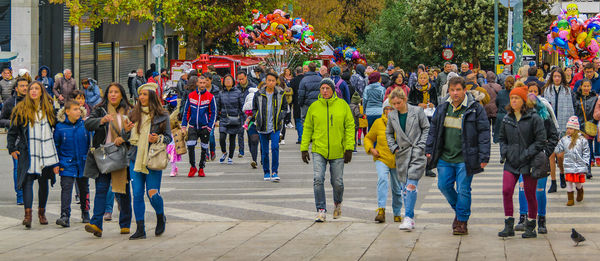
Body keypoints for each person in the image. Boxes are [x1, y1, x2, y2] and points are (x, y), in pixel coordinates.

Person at [425, 77, 490, 235]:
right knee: (443, 186)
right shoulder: (442, 108)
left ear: (464, 90)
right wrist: (429, 148)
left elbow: (484, 133)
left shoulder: (475, 108)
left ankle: (461, 221)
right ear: (448, 91)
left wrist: (484, 156)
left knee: (463, 189)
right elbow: (433, 130)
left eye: (458, 90)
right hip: (445, 157)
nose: (455, 93)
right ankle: (461, 212)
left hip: (465, 158)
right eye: (452, 90)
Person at [83, 82, 133, 237]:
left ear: (122, 95)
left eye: (116, 92)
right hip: (104, 155)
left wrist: (123, 137)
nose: (113, 95)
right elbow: (88, 124)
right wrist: (101, 121)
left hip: (121, 155)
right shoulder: (99, 110)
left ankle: (125, 224)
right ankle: (96, 223)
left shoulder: (129, 111)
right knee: (101, 189)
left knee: (122, 192)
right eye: (110, 92)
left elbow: (134, 134)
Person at [7, 81, 59, 229]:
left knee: (43, 183)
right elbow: (13, 131)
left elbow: (57, 127)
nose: (34, 91)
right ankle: (27, 215)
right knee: (27, 182)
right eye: (31, 89)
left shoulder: (48, 109)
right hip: (27, 151)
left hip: (45, 152)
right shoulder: (21, 108)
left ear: (42, 91)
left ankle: (42, 213)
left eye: (37, 89)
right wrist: (12, 148)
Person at [301, 78, 355, 222]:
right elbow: (307, 128)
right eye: (322, 88)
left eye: (327, 88)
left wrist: (349, 148)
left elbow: (350, 127)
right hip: (319, 149)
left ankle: (337, 203)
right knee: (318, 179)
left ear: (333, 90)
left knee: (337, 182)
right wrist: (304, 148)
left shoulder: (342, 105)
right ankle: (321, 209)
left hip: (338, 150)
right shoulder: (314, 107)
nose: (325, 91)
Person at [497, 86, 546, 239]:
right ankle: (508, 223)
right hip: (511, 162)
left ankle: (531, 225)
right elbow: (502, 139)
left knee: (530, 194)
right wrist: (505, 152)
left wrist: (527, 153)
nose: (513, 101)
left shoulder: (534, 118)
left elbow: (540, 141)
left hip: (528, 161)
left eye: (517, 98)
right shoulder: (507, 118)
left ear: (524, 101)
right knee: (506, 190)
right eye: (512, 98)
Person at [127, 83, 171, 240]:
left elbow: (168, 137)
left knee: (152, 194)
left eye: (145, 94)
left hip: (152, 158)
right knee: (137, 194)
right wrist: (125, 131)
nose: (142, 97)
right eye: (140, 94)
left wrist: (157, 138)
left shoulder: (163, 115)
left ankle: (160, 216)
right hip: (135, 157)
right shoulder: (133, 114)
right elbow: (128, 137)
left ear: (152, 96)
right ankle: (140, 229)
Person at [513, 92, 559, 234]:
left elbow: (554, 136)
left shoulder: (545, 119)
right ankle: (523, 217)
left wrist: (545, 152)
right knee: (523, 189)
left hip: (539, 159)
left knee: (539, 190)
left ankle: (541, 219)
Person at [385, 89, 430, 230]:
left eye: (399, 103)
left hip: (417, 153)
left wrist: (421, 145)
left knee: (411, 185)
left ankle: (408, 217)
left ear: (404, 99)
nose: (396, 106)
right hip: (402, 154)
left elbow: (426, 128)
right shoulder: (392, 115)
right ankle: (409, 217)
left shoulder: (417, 112)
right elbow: (389, 133)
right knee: (404, 188)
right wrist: (394, 147)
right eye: (394, 104)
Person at [54, 100, 91, 227]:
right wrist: (56, 164)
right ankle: (65, 216)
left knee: (84, 188)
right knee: (66, 189)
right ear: (67, 111)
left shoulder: (85, 125)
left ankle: (85, 212)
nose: (78, 111)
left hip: (83, 162)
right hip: (66, 163)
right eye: (75, 109)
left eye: (79, 109)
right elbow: (56, 147)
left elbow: (89, 144)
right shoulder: (60, 127)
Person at [365, 99, 401, 223]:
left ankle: (397, 212)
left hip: (397, 160)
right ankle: (381, 210)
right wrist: (371, 149)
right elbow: (368, 138)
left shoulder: (402, 122)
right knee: (382, 180)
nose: (389, 111)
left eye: (391, 109)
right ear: (383, 110)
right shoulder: (378, 122)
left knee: (397, 188)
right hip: (381, 157)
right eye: (387, 109)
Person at [252, 72, 287, 182]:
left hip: (275, 126)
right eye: (269, 80)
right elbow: (254, 109)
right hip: (262, 126)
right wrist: (257, 116)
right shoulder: (258, 94)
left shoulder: (281, 93)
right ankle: (266, 171)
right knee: (265, 150)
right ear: (265, 81)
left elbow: (285, 108)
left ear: (276, 81)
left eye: (273, 80)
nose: (271, 83)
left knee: (275, 148)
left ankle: (275, 171)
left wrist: (281, 116)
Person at [543, 68, 574, 191]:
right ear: (552, 77)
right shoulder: (547, 90)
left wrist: (570, 127)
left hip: (563, 126)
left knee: (560, 156)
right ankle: (553, 182)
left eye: (559, 76)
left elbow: (570, 108)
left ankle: (562, 174)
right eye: (555, 76)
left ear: (562, 78)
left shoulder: (567, 90)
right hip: (550, 128)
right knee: (551, 156)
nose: (556, 78)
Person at [182, 75, 217, 177]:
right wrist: (184, 126)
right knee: (191, 146)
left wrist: (209, 127)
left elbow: (213, 113)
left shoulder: (210, 97)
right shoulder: (191, 96)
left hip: (204, 127)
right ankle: (193, 167)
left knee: (204, 148)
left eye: (204, 83)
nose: (202, 85)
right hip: (192, 126)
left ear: (206, 83)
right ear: (197, 83)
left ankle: (201, 167)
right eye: (200, 83)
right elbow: (186, 112)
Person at [1, 77, 28, 205]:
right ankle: (20, 194)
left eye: (26, 85)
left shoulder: (33, 101)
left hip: (31, 140)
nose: (25, 88)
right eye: (22, 86)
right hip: (16, 140)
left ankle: (29, 194)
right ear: (16, 88)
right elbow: (1, 120)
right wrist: (12, 123)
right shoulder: (10, 102)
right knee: (18, 168)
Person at [555, 116, 589, 206]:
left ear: (576, 129)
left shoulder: (582, 140)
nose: (568, 130)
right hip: (568, 165)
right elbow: (559, 149)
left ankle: (580, 190)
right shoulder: (564, 140)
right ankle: (570, 199)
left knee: (578, 183)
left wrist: (586, 162)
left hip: (579, 165)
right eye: (567, 128)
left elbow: (586, 152)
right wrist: (555, 147)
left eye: (571, 128)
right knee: (569, 182)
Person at [573, 78, 598, 180]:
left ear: (590, 87)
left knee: (588, 146)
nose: (586, 88)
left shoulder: (595, 98)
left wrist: (594, 122)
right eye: (584, 86)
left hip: (590, 125)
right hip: (579, 125)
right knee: (579, 147)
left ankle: (588, 169)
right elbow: (574, 110)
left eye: (588, 86)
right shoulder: (576, 97)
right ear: (581, 86)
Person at [217, 75, 244, 164]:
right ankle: (224, 152)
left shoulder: (238, 92)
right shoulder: (221, 93)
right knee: (222, 137)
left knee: (232, 138)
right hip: (224, 118)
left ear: (233, 82)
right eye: (226, 80)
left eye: (229, 80)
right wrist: (216, 119)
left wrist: (241, 118)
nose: (228, 81)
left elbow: (242, 106)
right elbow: (218, 107)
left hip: (235, 119)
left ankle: (230, 157)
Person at [236, 71, 257, 156]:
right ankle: (241, 151)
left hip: (250, 114)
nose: (241, 81)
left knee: (250, 135)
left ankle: (252, 152)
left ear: (246, 77)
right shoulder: (237, 88)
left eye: (242, 79)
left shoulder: (253, 87)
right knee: (240, 133)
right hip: (240, 113)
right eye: (239, 79)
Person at [242, 85, 260, 168]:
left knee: (257, 141)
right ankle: (254, 160)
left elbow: (244, 107)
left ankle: (261, 159)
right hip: (252, 121)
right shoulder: (250, 95)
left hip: (258, 121)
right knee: (254, 141)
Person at [481, 71, 502, 139]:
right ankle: (494, 134)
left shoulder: (483, 86)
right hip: (495, 107)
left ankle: (487, 135)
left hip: (486, 107)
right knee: (495, 123)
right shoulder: (498, 86)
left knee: (487, 123)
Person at [290, 66, 305, 144]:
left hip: (296, 103)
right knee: (305, 121)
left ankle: (300, 137)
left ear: (296, 72)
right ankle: (306, 137)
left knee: (298, 120)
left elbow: (290, 93)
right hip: (305, 103)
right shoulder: (306, 79)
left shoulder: (293, 81)